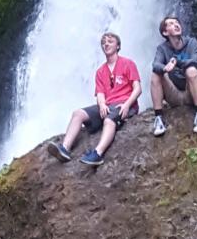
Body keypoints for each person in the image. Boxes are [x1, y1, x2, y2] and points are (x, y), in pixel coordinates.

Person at [48, 32, 141, 167]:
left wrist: (127, 105)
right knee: (78, 113)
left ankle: (98, 154)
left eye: (110, 41)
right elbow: (100, 93)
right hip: (108, 105)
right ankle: (65, 149)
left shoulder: (128, 63)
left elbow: (137, 88)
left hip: (125, 104)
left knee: (109, 120)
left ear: (118, 46)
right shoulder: (100, 71)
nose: (106, 44)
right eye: (103, 42)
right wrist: (102, 104)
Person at [150, 15, 197, 136]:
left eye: (177, 22)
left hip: (192, 92)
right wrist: (165, 68)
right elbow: (155, 64)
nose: (176, 25)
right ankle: (159, 119)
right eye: (171, 24)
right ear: (165, 32)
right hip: (174, 95)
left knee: (191, 70)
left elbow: (196, 62)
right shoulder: (162, 48)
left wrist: (177, 61)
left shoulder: (191, 42)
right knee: (156, 74)